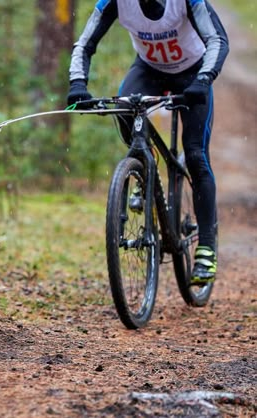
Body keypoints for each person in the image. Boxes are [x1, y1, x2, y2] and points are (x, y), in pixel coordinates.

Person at [67, 0, 229, 285]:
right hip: (149, 70)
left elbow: (217, 39)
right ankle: (144, 171)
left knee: (194, 154)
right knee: (124, 109)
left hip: (193, 72)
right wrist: (78, 84)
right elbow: (85, 43)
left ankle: (206, 247)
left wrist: (204, 79)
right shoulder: (113, 2)